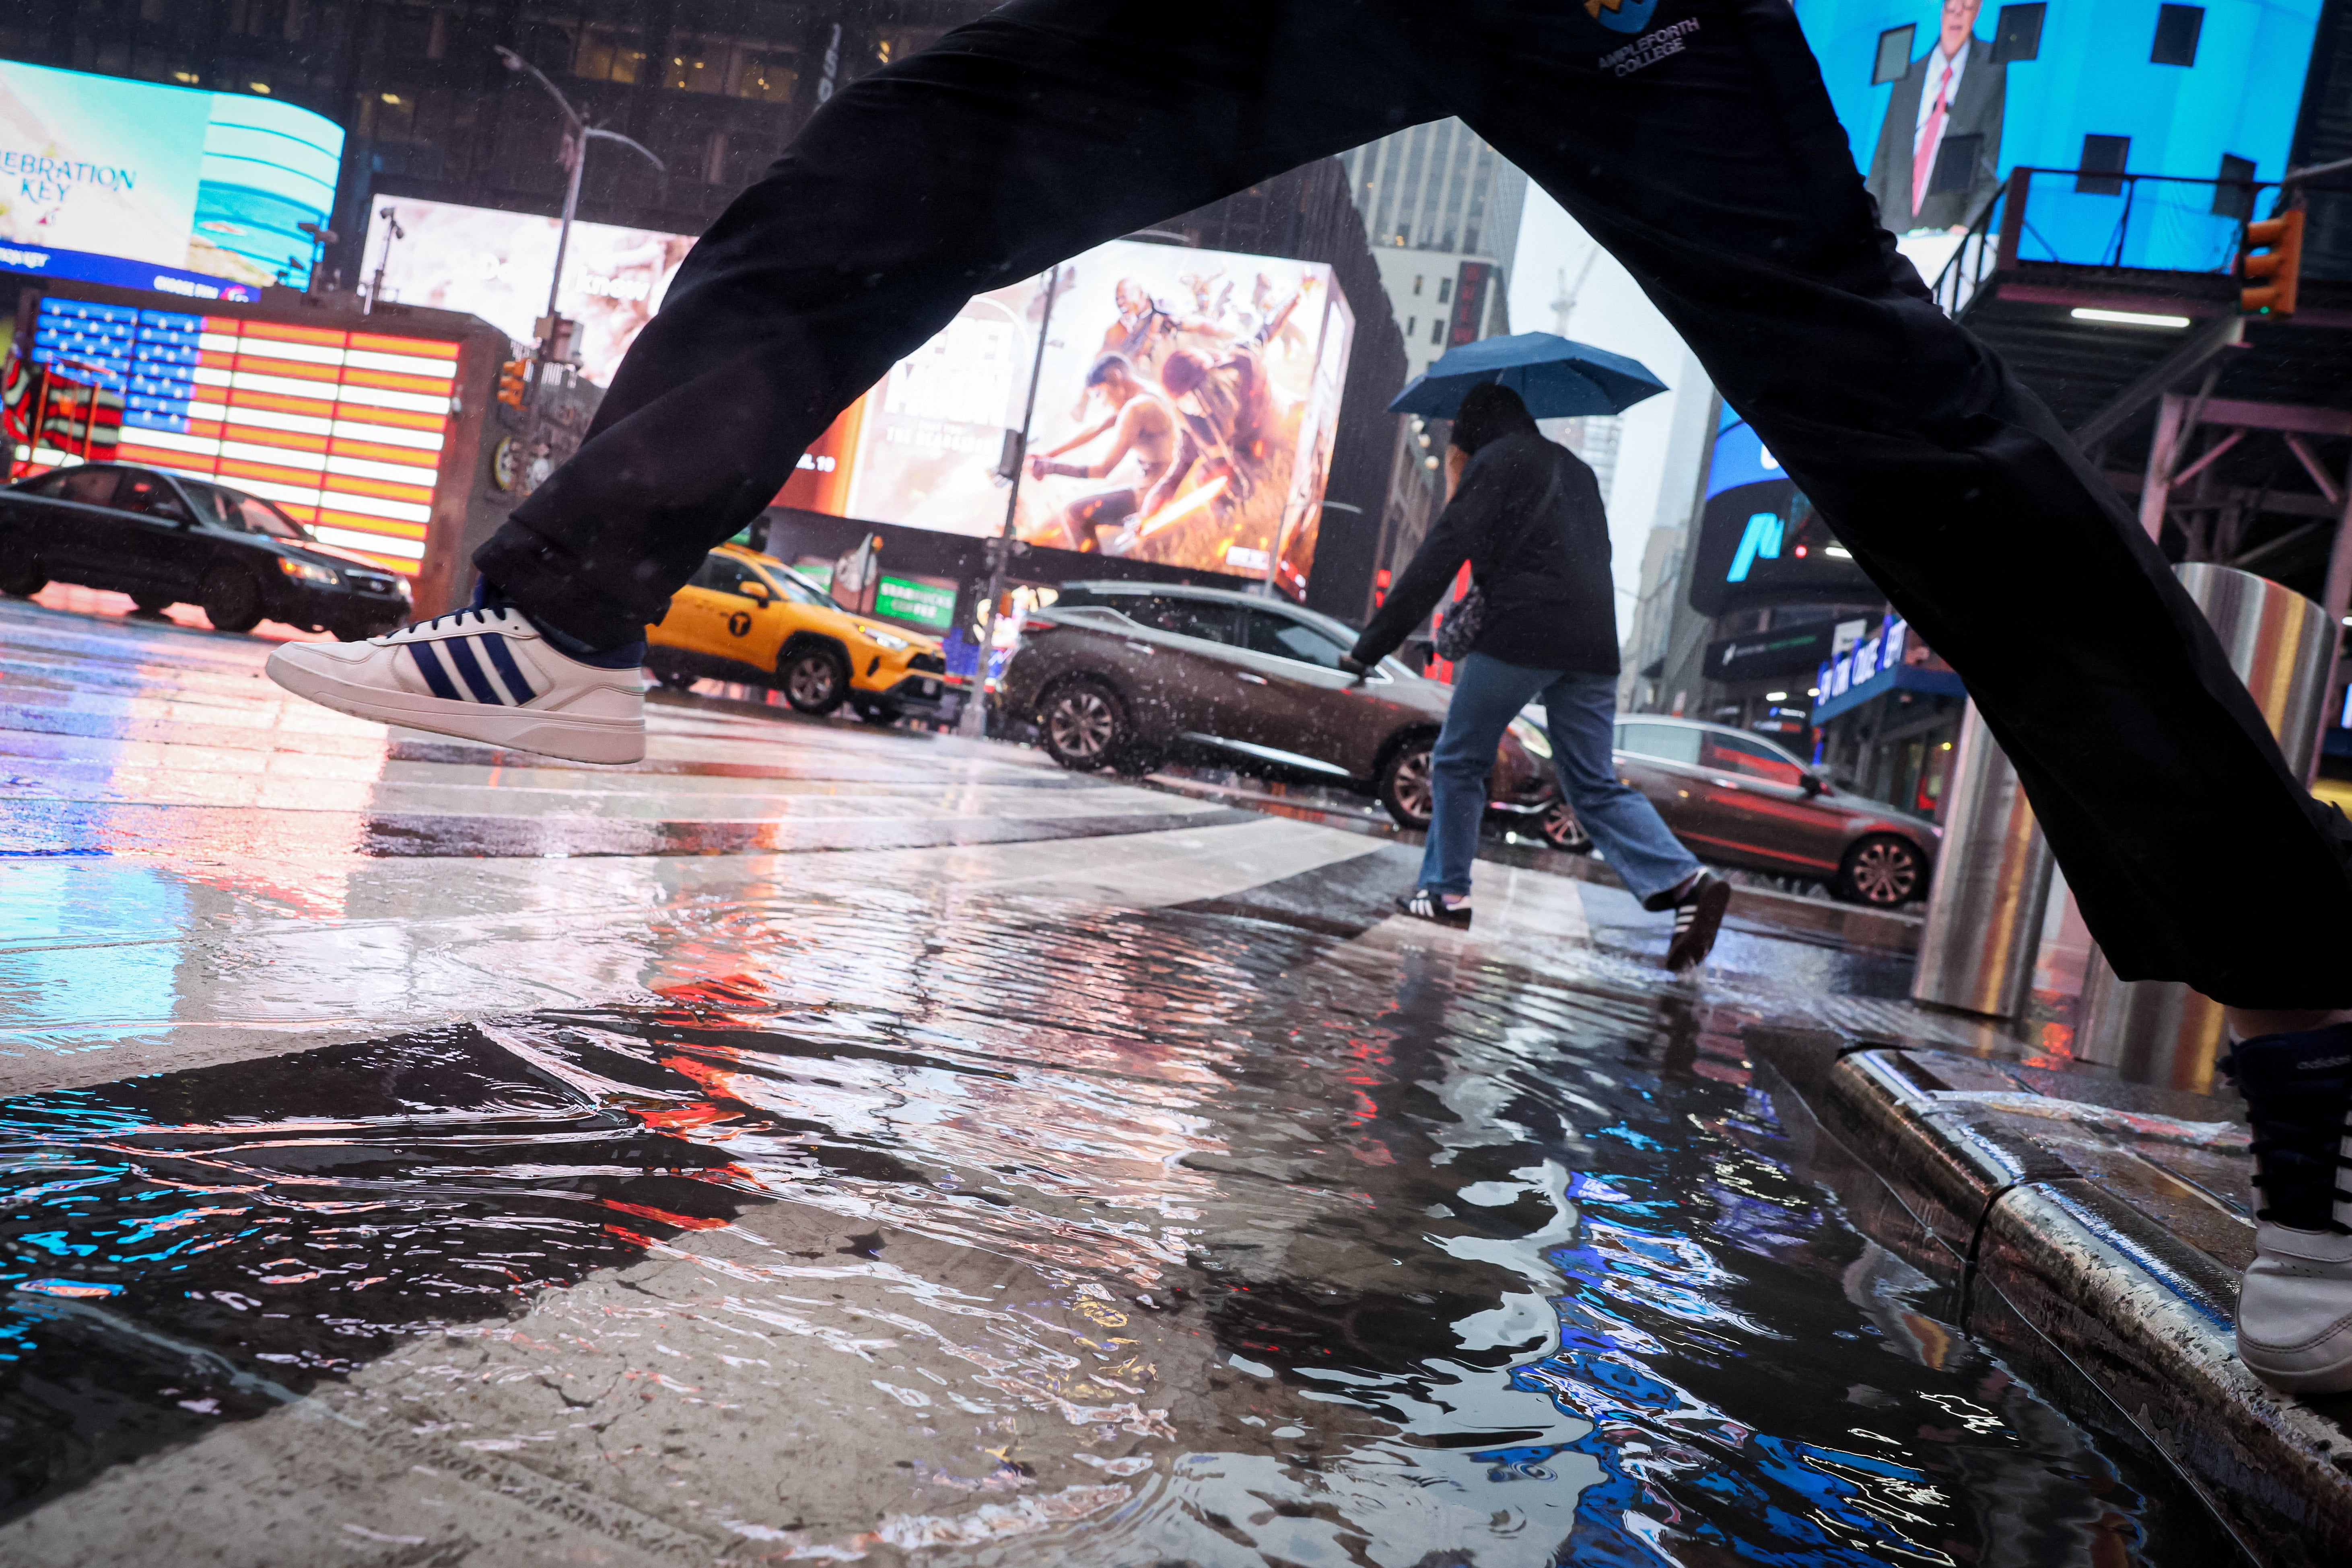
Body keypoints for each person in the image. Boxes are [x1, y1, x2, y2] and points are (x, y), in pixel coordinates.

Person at [264, 0, 2352, 1392]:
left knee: (1915, 435)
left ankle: (2320, 1041)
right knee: (907, 159)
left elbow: (1498, 568)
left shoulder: (1516, 460)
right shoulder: (1505, 460)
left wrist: (1419, 631)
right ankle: (566, 617)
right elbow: (1472, 570)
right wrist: (1403, 635)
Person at [1343, 385, 1732, 969]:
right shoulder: (1574, 470)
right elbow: (1584, 554)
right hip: (1595, 643)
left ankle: (1444, 892)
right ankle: (1684, 881)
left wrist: (1370, 645)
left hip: (1524, 631)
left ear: (1473, 426)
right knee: (1592, 783)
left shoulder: (1497, 461)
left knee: (1458, 759)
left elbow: (1441, 553)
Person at [1864, 0, 2007, 234]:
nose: (1958, 14)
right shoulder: (1909, 76)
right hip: (1891, 231)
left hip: (1944, 237)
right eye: (1952, 6)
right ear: (1942, 9)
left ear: (1978, 10)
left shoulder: (1990, 73)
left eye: (1968, 6)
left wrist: (1966, 229)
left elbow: (1988, 167)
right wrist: (1869, 228)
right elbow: (1881, 162)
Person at [1027, 354, 1182, 551]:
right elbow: (1097, 428)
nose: (1101, 403)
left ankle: (1091, 575)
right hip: (1158, 487)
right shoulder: (1148, 393)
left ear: (1116, 378)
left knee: (1074, 514)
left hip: (1153, 496)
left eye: (1100, 395)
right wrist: (1048, 455)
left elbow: (1103, 470)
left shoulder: (1137, 409)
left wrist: (1051, 468)